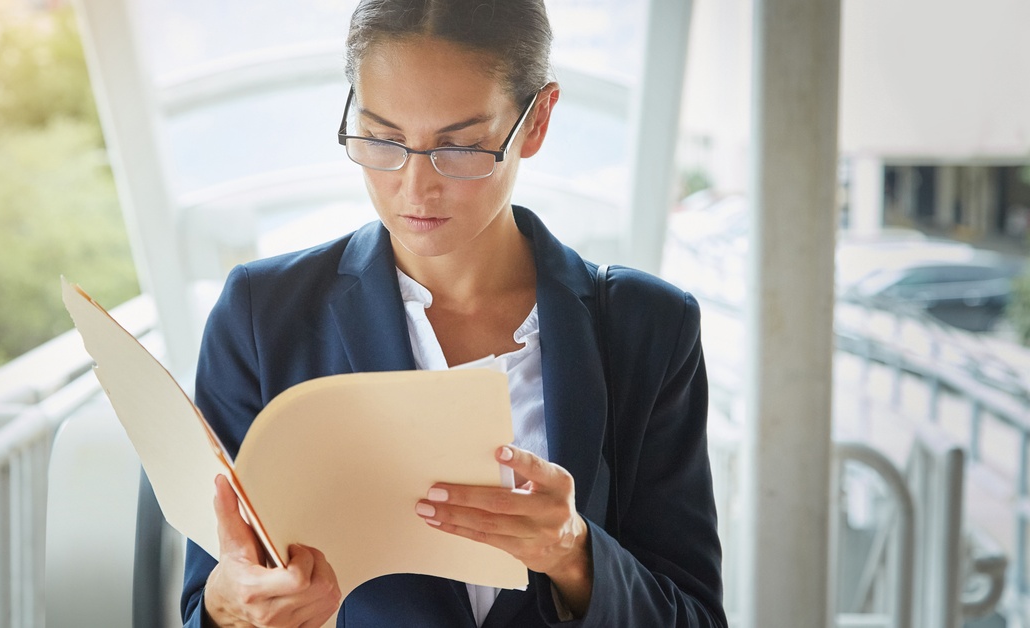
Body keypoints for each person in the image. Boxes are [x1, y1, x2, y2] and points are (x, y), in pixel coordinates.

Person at [181, 1, 725, 626]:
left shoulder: (648, 328)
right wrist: (230, 607)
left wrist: (575, 555)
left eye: (461, 147)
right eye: (383, 140)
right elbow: (208, 602)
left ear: (538, 121)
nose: (415, 188)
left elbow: (696, 617)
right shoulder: (261, 317)